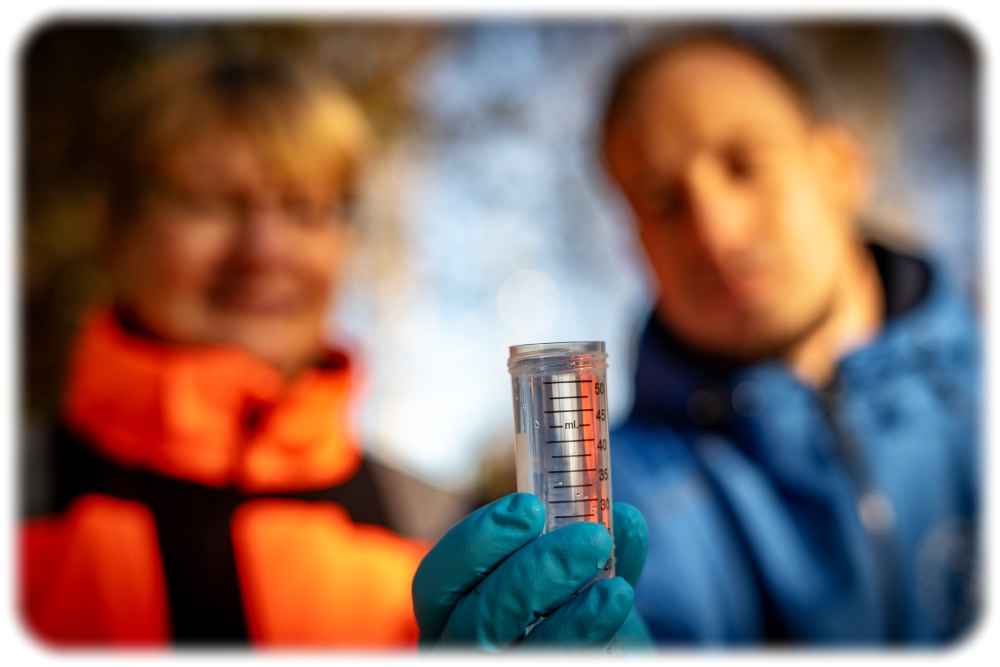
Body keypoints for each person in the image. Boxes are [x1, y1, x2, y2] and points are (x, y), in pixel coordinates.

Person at [19, 39, 649, 649]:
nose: (265, 251)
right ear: (118, 230)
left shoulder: (438, 532)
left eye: (303, 208)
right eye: (213, 204)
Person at [592, 31, 979, 643]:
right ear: (635, 244)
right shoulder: (612, 507)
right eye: (665, 201)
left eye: (743, 164)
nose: (716, 233)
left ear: (839, 166)